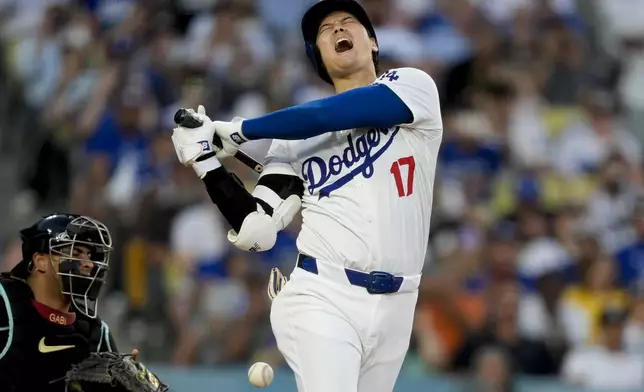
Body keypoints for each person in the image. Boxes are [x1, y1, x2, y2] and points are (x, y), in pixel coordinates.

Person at [171, 0, 442, 391]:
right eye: (325, 30)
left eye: (349, 22)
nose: (338, 29)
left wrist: (242, 129)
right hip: (323, 294)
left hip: (399, 302)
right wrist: (205, 162)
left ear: (374, 42)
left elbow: (325, 116)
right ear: (318, 56)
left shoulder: (413, 87)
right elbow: (256, 231)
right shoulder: (291, 142)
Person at [0, 213, 121, 391]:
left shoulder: (96, 334)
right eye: (76, 252)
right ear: (41, 262)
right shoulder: (5, 307)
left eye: (90, 255)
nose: (89, 264)